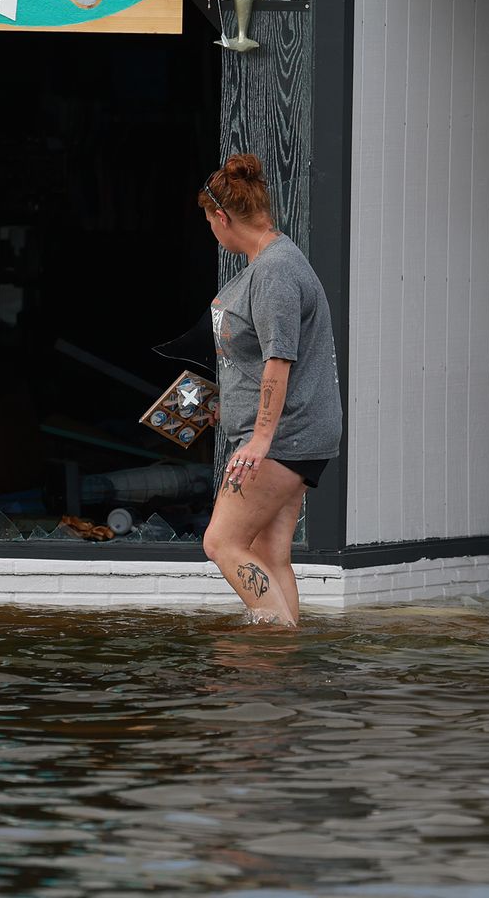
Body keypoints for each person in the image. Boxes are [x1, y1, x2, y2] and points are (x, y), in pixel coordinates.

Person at [197, 153, 343, 625]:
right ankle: (285, 657)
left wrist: (260, 438)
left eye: (209, 222)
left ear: (222, 216)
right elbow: (259, 357)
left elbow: (280, 360)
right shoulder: (270, 262)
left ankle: (271, 644)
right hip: (291, 436)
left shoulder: (275, 269)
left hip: (284, 439)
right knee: (270, 552)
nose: (212, 233)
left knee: (221, 542)